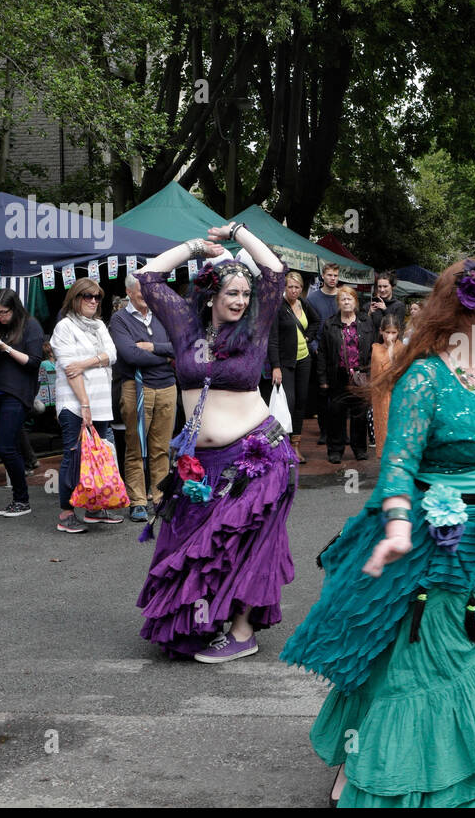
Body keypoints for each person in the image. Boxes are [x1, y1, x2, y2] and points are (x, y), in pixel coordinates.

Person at [283, 255, 475, 807]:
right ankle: (382, 769)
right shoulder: (424, 376)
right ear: (461, 323)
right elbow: (398, 463)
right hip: (447, 542)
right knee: (431, 664)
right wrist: (398, 524)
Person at [134, 222, 295, 663]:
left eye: (245, 294)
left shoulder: (256, 328)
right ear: (211, 297)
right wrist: (194, 247)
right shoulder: (185, 326)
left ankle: (242, 631)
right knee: (193, 543)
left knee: (247, 540)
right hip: (200, 462)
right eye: (232, 295)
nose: (241, 301)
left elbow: (275, 271)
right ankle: (207, 622)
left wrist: (237, 233)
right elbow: (147, 278)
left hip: (258, 454)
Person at [50, 279, 120, 533]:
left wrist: (86, 362)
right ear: (75, 298)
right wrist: (85, 405)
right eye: (87, 296)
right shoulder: (65, 327)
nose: (93, 301)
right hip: (76, 404)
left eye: (97, 297)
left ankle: (93, 507)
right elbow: (71, 371)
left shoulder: (99, 325)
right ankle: (66, 513)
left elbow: (112, 355)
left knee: (99, 459)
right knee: (73, 456)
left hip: (101, 404)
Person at [110, 275, 178, 523]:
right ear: (129, 292)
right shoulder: (119, 319)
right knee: (135, 447)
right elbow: (130, 355)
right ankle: (138, 501)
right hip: (137, 387)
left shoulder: (161, 314)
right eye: (141, 291)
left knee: (162, 448)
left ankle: (159, 498)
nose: (146, 295)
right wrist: (166, 354)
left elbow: (179, 346)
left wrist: (152, 347)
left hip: (167, 386)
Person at [0, 289, 45, 518]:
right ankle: (19, 496)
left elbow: (34, 362)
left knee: (6, 445)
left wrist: (6, 348)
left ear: (14, 308)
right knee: (5, 444)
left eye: (3, 312)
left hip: (17, 392)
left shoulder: (30, 326)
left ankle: (22, 499)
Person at [317, 285, 374, 463]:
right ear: (338, 303)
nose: (346, 302)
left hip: (361, 375)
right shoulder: (330, 323)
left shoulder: (365, 322)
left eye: (349, 298)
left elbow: (373, 350)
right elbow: (323, 352)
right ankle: (335, 450)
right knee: (336, 414)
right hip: (338, 375)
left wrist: (372, 375)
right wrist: (323, 379)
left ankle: (359, 449)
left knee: (359, 415)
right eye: (343, 299)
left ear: (355, 301)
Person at [267, 271, 318, 463]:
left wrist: (309, 336)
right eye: (291, 287)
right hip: (286, 362)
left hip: (304, 359)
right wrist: (275, 366)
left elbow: (316, 321)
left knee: (301, 403)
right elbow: (272, 339)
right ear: (285, 287)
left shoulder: (303, 303)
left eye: (298, 287)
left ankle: (296, 445)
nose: (294, 291)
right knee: (288, 402)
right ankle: (284, 445)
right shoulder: (278, 307)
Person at [306, 262, 341, 447]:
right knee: (322, 392)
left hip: (340, 352)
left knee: (340, 392)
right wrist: (313, 345)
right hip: (319, 351)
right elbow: (308, 325)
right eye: (329, 275)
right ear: (323, 276)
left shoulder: (343, 297)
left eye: (335, 275)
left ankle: (338, 431)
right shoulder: (312, 299)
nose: (333, 278)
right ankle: (324, 431)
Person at [368, 314, 404, 459]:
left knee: (397, 428)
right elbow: (381, 370)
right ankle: (384, 457)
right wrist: (388, 349)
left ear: (398, 332)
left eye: (393, 332)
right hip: (381, 394)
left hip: (397, 393)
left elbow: (398, 370)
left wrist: (392, 348)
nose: (390, 336)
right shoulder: (376, 348)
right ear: (381, 331)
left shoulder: (401, 348)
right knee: (383, 426)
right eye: (387, 332)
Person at [366, 270, 406, 335]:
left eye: (385, 286)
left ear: (392, 287)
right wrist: (369, 314)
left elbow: (397, 328)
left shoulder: (399, 306)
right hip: (372, 344)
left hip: (390, 343)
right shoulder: (370, 304)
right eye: (379, 286)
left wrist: (385, 310)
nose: (382, 290)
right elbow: (363, 327)